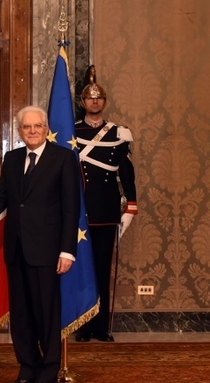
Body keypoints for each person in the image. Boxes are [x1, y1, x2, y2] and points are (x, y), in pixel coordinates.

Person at [0, 105, 80, 383]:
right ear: (19, 131)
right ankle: (27, 370)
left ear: (46, 128)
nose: (32, 131)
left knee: (46, 315)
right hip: (16, 251)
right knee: (22, 316)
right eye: (27, 127)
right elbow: (1, 199)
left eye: (37, 126)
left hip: (48, 251)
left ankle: (48, 375)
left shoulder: (63, 158)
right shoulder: (13, 158)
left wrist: (67, 251)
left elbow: (71, 208)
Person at [74, 65, 138, 343]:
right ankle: (82, 326)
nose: (95, 102)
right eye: (90, 98)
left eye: (99, 98)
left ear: (105, 103)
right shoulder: (71, 131)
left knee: (101, 268)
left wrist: (132, 204)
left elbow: (126, 171)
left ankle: (101, 327)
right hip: (78, 211)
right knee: (79, 269)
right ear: (82, 102)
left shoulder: (118, 133)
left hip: (106, 210)